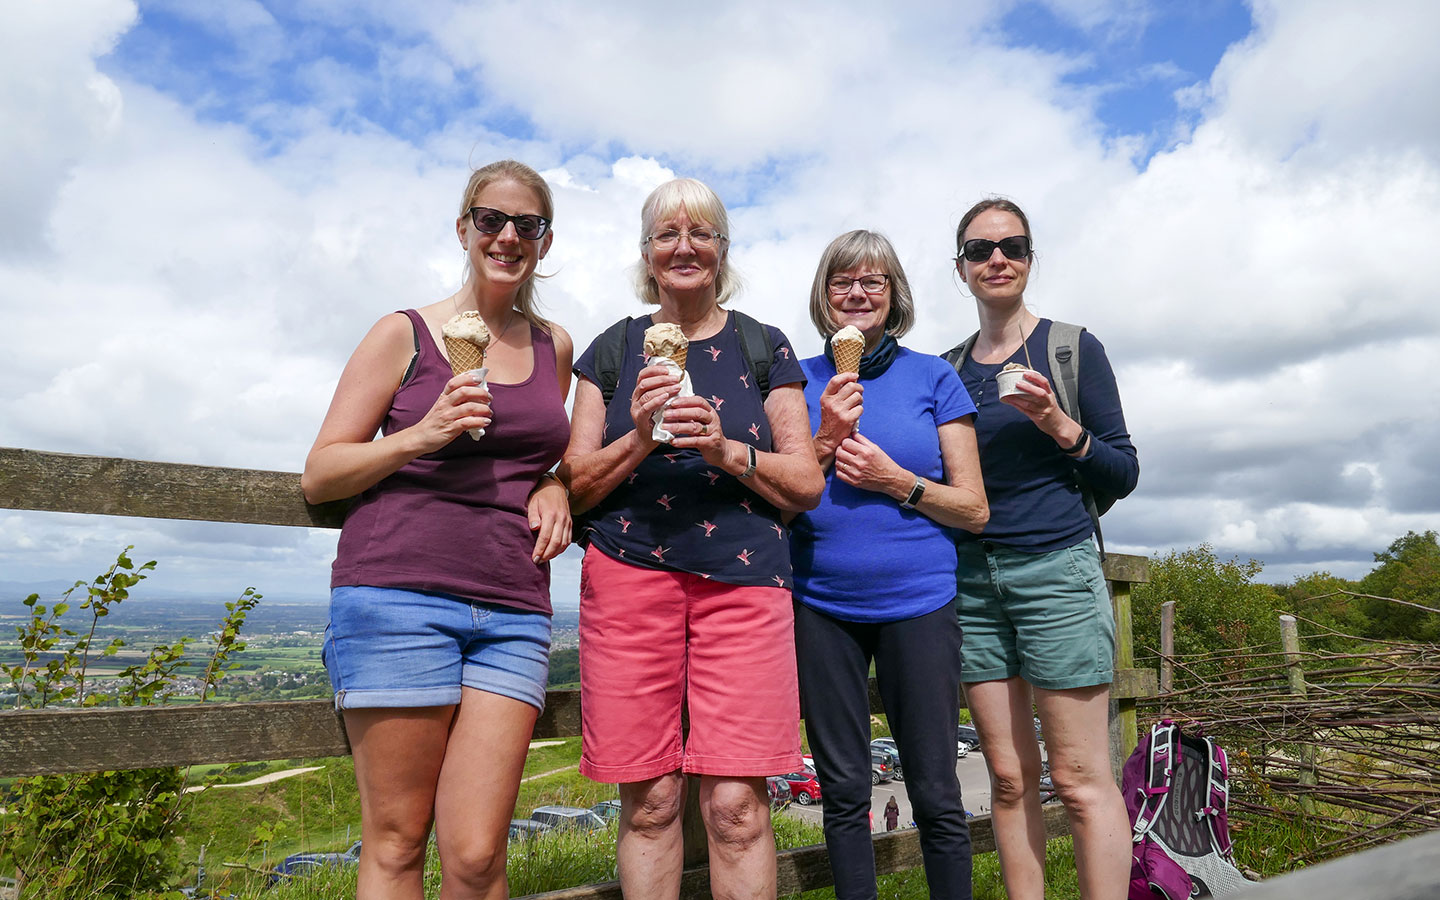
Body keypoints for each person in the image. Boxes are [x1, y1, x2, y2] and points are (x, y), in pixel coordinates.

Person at [301, 160, 573, 900]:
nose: (508, 235)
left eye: (527, 224)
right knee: (395, 842)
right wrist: (418, 437)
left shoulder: (555, 346)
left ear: (545, 242)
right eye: (492, 219)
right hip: (397, 597)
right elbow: (321, 472)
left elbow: (540, 450)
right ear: (464, 229)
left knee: (481, 855)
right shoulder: (404, 333)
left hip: (514, 608)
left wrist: (554, 484)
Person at [557, 177, 824, 900]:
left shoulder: (762, 344)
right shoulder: (612, 350)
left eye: (701, 233)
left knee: (736, 810)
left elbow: (805, 483)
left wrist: (728, 450)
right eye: (667, 235)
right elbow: (572, 484)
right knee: (651, 803)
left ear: (721, 250)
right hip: (627, 577)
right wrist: (641, 438)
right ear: (646, 255)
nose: (684, 247)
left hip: (744, 586)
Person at [948, 198, 1139, 900]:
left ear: (1030, 258)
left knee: (1082, 781)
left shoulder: (1071, 348)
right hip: (971, 581)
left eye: (1012, 245)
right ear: (961, 269)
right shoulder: (948, 370)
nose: (997, 258)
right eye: (979, 249)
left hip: (1058, 571)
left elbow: (1122, 471)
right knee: (1006, 778)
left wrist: (1058, 422)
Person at [790, 230, 989, 900]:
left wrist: (895, 479)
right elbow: (774, 492)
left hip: (921, 603)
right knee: (843, 791)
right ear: (824, 295)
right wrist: (821, 440)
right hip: (819, 604)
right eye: (842, 280)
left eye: (872, 281)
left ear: (894, 294)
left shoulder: (934, 376)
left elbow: (974, 509)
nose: (856, 293)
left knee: (935, 788)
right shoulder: (793, 379)